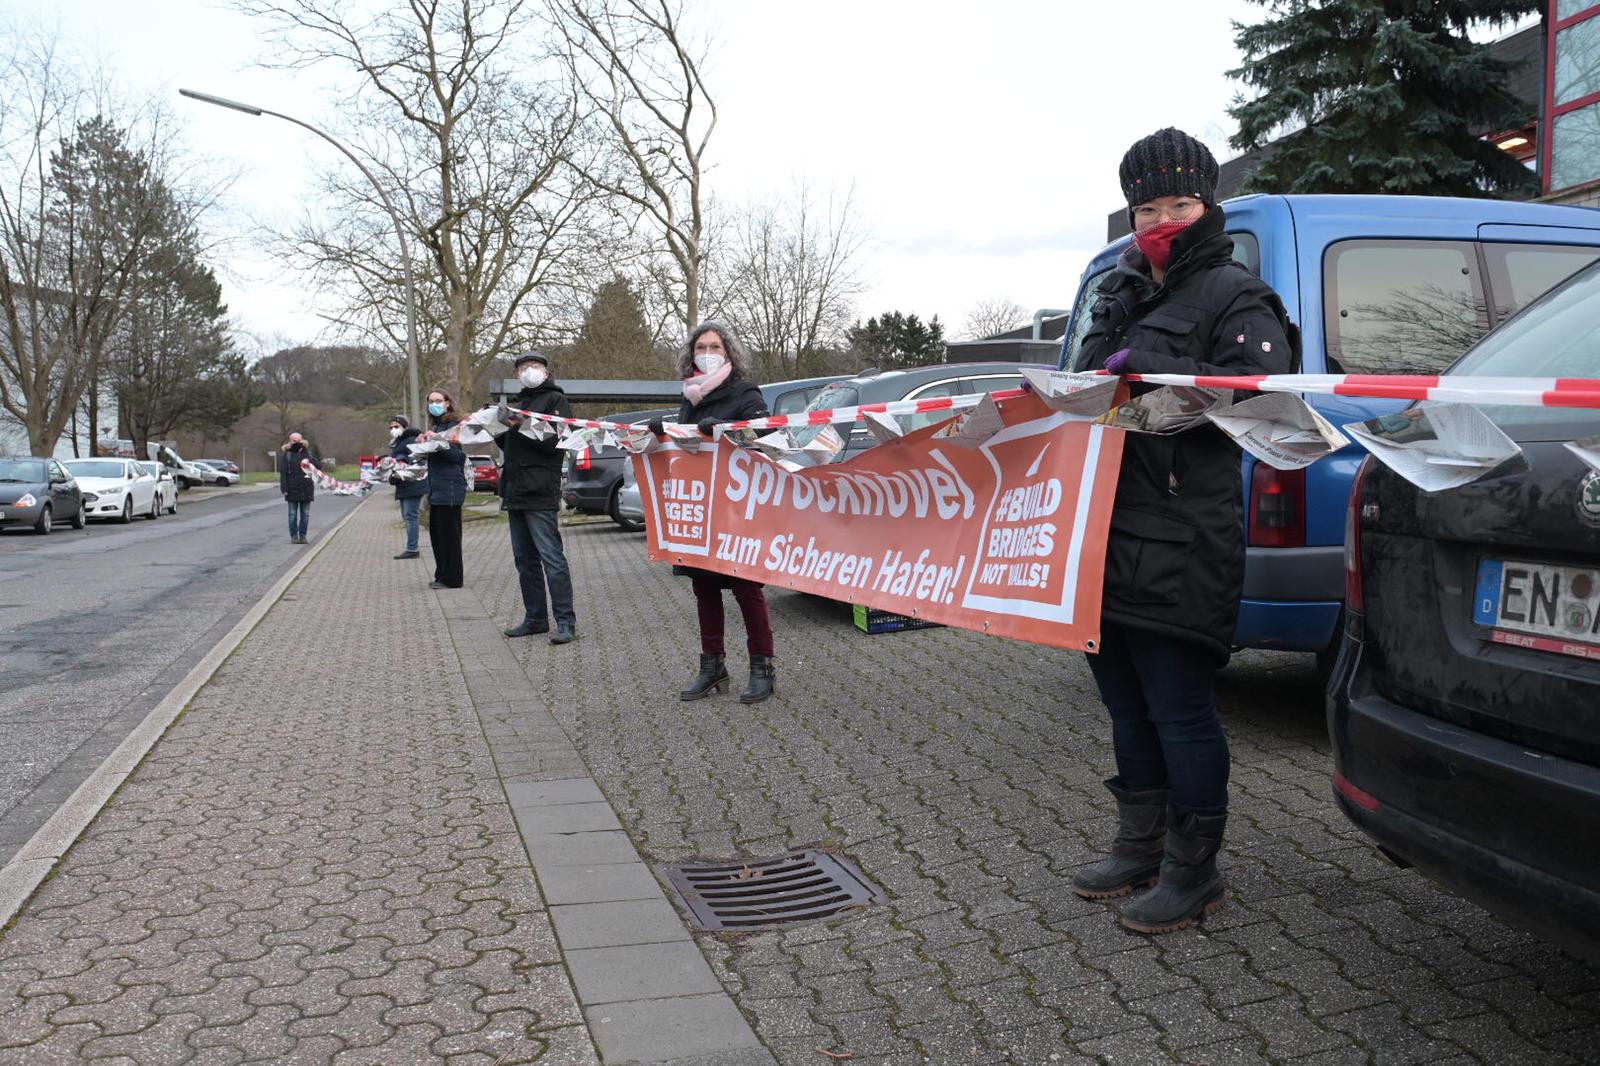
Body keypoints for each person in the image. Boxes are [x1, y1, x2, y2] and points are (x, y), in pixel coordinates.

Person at [1070, 128, 1295, 934]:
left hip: (1180, 533)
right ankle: (1140, 844)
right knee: (1125, 704)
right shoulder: (1118, 291)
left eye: (1178, 204)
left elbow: (1258, 397)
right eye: (1147, 208)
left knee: (1179, 708)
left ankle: (1194, 869)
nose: (1161, 220)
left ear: (1206, 204)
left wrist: (1131, 404)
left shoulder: (1236, 293)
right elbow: (1077, 390)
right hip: (1101, 529)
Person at [650, 321, 776, 704]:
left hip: (737, 508)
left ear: (728, 352)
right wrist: (661, 435)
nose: (707, 353)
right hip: (701, 509)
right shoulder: (689, 398)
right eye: (701, 347)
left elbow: (764, 433)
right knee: (703, 588)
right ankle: (713, 666)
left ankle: (762, 667)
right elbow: (685, 448)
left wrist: (725, 430)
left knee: (746, 588)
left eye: (715, 347)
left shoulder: (745, 391)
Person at [495, 350, 577, 644]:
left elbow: (558, 441)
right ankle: (535, 619)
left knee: (551, 557)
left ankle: (565, 621)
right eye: (523, 367)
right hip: (515, 489)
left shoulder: (556, 400)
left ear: (546, 371)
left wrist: (522, 425)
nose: (529, 370)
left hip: (540, 488)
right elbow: (511, 446)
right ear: (517, 375)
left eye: (535, 366)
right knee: (524, 560)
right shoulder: (518, 404)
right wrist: (498, 428)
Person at [418, 389, 468, 589]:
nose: (434, 404)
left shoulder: (454, 426)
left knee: (449, 537)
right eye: (431, 401)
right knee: (438, 537)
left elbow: (457, 456)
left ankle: (453, 578)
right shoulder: (437, 426)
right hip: (437, 489)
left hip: (450, 489)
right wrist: (423, 445)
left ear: (447, 403)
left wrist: (437, 440)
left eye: (438, 400)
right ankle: (441, 575)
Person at [388, 414, 429, 560]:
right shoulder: (398, 442)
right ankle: (412, 547)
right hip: (404, 483)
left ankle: (412, 549)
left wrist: (400, 460)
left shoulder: (411, 440)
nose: (393, 429)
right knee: (407, 516)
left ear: (404, 427)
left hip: (413, 483)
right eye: (391, 427)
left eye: (396, 426)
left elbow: (413, 458)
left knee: (410, 516)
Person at [278, 432, 314, 544]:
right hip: (292, 489)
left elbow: (317, 468)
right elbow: (283, 473)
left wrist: (310, 463)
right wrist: (284, 489)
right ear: (290, 441)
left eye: (298, 440)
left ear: (302, 440)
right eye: (294, 441)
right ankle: (294, 536)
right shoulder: (287, 455)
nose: (297, 443)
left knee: (305, 514)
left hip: (306, 488)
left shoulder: (308, 453)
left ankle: (303, 536)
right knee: (292, 514)